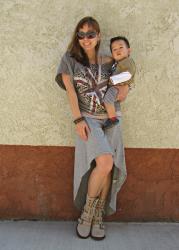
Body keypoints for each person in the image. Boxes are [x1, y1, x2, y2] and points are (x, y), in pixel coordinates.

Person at [55, 17, 130, 240]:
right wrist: (78, 120)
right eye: (81, 34)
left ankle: (98, 215)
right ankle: (87, 213)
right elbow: (70, 91)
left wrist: (125, 87)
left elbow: (123, 86)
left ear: (98, 36)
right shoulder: (70, 60)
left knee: (107, 166)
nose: (85, 39)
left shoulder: (110, 61)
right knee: (105, 161)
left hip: (111, 117)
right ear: (76, 37)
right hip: (88, 119)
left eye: (90, 34)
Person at [102, 36, 136, 129]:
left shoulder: (127, 61)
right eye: (114, 49)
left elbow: (128, 74)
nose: (118, 50)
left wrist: (113, 80)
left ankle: (112, 119)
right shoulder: (117, 63)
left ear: (129, 51)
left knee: (107, 99)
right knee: (107, 99)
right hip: (116, 86)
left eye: (121, 47)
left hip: (118, 86)